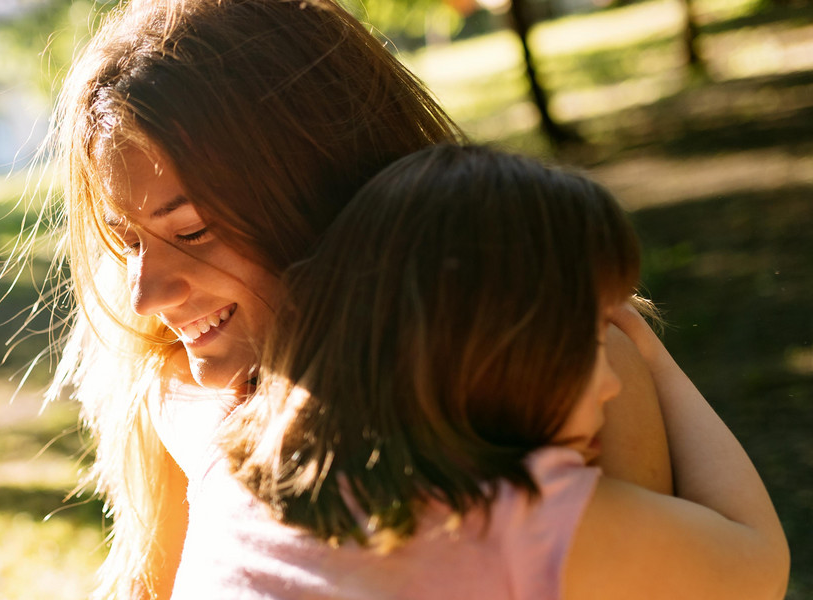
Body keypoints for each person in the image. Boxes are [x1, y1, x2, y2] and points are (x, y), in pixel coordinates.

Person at [43, 0, 670, 596]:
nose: (145, 294)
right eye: (126, 243)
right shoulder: (177, 391)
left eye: (193, 231)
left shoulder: (573, 370)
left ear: (324, 189)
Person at [211, 145, 789, 599]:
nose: (612, 380)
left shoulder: (238, 481)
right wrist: (654, 354)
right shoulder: (508, 522)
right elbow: (758, 563)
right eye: (590, 340)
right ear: (502, 354)